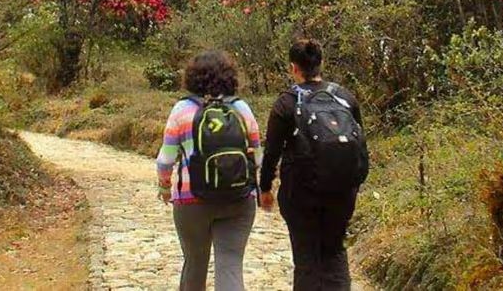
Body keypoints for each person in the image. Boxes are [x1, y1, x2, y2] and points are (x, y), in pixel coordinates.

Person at [259, 39, 369, 290]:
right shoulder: (345, 98)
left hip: (300, 194)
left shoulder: (286, 103)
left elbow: (272, 153)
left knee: (306, 256)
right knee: (335, 252)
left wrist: (265, 188)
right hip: (342, 192)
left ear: (293, 68)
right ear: (322, 63)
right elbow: (360, 146)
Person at [157, 50, 263, 291]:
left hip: (191, 201)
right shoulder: (241, 109)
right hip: (239, 199)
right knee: (231, 264)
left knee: (195, 264)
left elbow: (165, 159)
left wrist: (164, 187)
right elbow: (257, 156)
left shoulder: (182, 110)